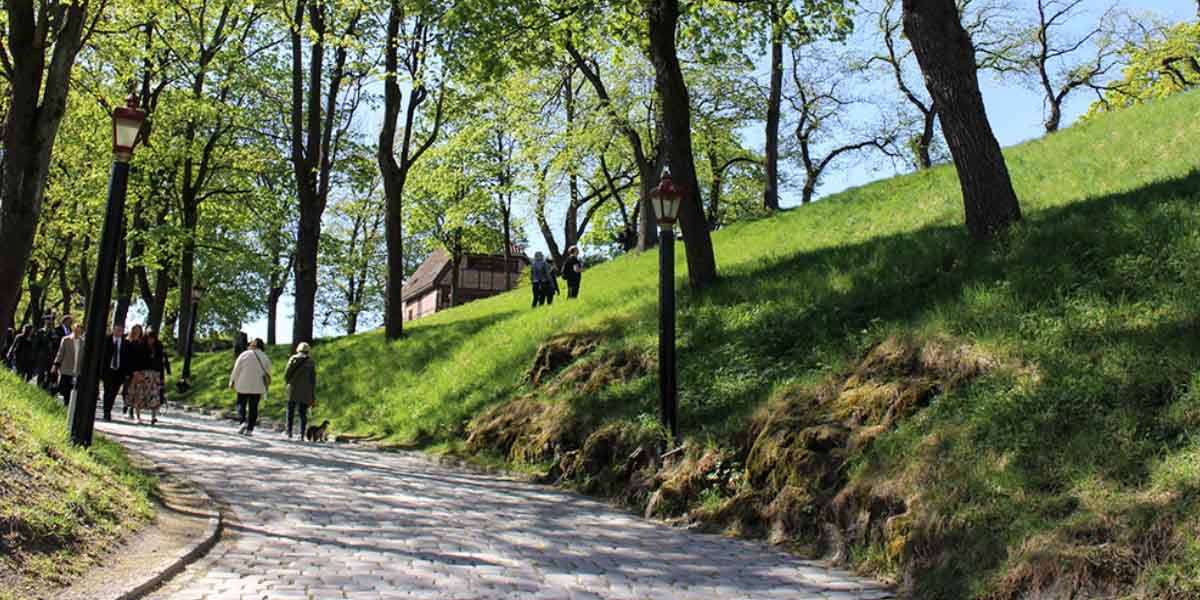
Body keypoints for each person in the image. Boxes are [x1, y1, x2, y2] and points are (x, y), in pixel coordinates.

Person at [230, 338, 271, 436]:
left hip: (243, 384)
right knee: (254, 407)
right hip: (257, 386)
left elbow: (236, 369)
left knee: (241, 404)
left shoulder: (244, 355)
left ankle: (242, 421)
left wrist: (232, 381)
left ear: (252, 345)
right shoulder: (265, 357)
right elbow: (268, 372)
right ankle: (250, 429)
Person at [136, 329, 169, 425]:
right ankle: (138, 416)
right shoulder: (141, 348)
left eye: (153, 338)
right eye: (149, 338)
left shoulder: (158, 349)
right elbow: (137, 362)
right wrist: (137, 373)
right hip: (143, 373)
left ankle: (153, 416)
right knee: (140, 395)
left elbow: (161, 364)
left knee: (155, 396)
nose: (151, 340)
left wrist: (162, 377)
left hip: (155, 375)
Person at [284, 342, 316, 440]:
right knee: (303, 413)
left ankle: (289, 432)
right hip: (305, 390)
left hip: (293, 388)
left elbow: (287, 374)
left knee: (290, 411)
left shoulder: (293, 359)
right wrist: (312, 393)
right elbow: (313, 379)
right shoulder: (311, 362)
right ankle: (302, 434)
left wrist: (288, 382)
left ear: (298, 349)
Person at [125, 325, 156, 424]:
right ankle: (128, 405)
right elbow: (128, 357)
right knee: (128, 390)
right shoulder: (128, 342)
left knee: (138, 392)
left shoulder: (142, 343)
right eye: (135, 330)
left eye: (139, 330)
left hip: (140, 371)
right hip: (131, 370)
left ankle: (134, 411)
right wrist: (132, 371)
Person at [100, 325, 130, 422]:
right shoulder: (106, 340)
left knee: (113, 393)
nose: (118, 332)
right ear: (113, 331)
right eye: (117, 330)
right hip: (107, 371)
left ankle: (109, 409)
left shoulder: (126, 343)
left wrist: (127, 373)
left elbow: (128, 359)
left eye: (120, 330)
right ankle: (106, 412)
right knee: (107, 391)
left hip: (119, 372)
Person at [52, 323, 84, 407]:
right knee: (64, 388)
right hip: (66, 368)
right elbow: (60, 353)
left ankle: (70, 405)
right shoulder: (66, 340)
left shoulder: (83, 342)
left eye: (79, 330)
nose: (77, 332)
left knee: (74, 389)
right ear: (73, 330)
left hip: (77, 370)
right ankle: (64, 403)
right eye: (76, 330)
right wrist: (55, 365)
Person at [32, 317, 56, 391]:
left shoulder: (54, 332)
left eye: (51, 323)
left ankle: (46, 388)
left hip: (51, 356)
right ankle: (39, 387)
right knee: (41, 372)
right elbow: (36, 344)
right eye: (48, 323)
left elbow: (56, 344)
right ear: (45, 323)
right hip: (42, 355)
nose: (49, 324)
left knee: (49, 373)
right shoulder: (40, 332)